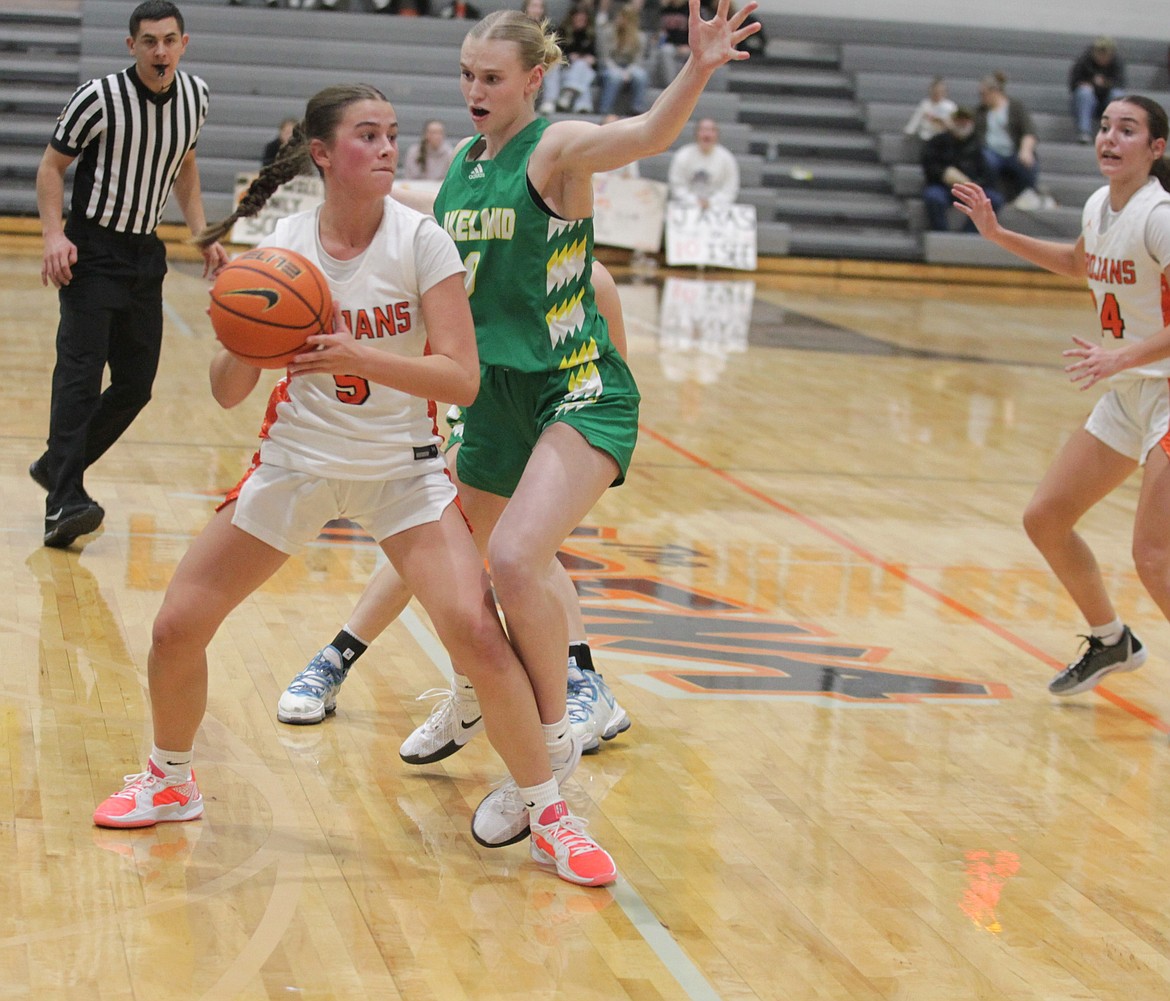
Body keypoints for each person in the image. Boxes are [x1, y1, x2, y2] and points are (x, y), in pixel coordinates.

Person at [90, 83, 617, 888]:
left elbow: (463, 379)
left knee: (477, 637)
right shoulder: (284, 246)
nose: (386, 148)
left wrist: (357, 354)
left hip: (402, 472)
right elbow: (229, 391)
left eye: (392, 134)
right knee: (174, 627)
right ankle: (169, 777)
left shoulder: (423, 241)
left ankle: (550, 812)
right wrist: (241, 322)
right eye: (367, 136)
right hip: (295, 464)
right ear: (325, 153)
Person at [336, 2, 760, 851]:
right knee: (445, 569)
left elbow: (643, 133)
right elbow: (410, 201)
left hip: (575, 385)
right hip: (492, 397)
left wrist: (698, 69)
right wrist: (341, 179)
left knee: (517, 560)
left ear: (534, 78)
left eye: (491, 77)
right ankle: (473, 701)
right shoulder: (464, 164)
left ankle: (552, 743)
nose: (474, 90)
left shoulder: (558, 147)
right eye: (466, 75)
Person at [278, 261, 633, 759]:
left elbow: (615, 370)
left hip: (560, 418)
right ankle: (571, 683)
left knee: (498, 549)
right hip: (485, 412)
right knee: (446, 536)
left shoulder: (592, 279)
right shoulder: (465, 260)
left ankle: (340, 658)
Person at [953, 94, 1170, 697]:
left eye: (1127, 131)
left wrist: (1122, 355)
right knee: (1045, 518)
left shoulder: (1161, 216)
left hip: (1165, 390)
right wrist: (996, 234)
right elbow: (1080, 263)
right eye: (1104, 127)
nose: (1109, 138)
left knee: (1153, 555)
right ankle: (1111, 641)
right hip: (1130, 390)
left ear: (1156, 149)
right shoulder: (1101, 204)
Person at [32, 0, 228, 549]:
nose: (160, 51)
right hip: (91, 251)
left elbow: (184, 163)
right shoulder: (97, 98)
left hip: (146, 253)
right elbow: (51, 167)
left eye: (169, 40)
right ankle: (63, 502)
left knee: (136, 385)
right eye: (149, 41)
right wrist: (54, 235)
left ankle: (56, 465)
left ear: (183, 44)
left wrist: (200, 229)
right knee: (79, 375)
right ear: (132, 46)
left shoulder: (196, 96)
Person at [921, 106, 1003, 232]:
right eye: (958, 120)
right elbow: (929, 166)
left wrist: (971, 183)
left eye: (965, 121)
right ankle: (942, 235)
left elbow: (988, 176)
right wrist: (944, 174)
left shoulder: (979, 146)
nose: (961, 124)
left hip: (971, 190)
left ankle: (968, 234)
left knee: (993, 199)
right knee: (933, 196)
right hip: (944, 187)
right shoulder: (938, 141)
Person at [975, 72, 1042, 207]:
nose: (981, 98)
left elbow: (1029, 131)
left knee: (1029, 165)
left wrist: (1025, 150)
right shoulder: (980, 112)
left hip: (1013, 151)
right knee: (986, 161)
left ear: (994, 92)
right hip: (991, 151)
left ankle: (1026, 193)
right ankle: (996, 195)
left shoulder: (1015, 107)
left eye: (984, 94)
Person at [539, 2, 599, 115]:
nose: (580, 22)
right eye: (578, 19)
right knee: (558, 66)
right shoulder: (561, 31)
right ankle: (558, 99)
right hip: (564, 67)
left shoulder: (590, 35)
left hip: (581, 69)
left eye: (583, 20)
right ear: (572, 18)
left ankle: (570, 95)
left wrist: (591, 60)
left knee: (583, 67)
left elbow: (595, 58)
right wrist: (571, 58)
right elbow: (556, 53)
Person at [668, 116, 739, 209]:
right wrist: (693, 202)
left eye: (711, 130)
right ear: (696, 134)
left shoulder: (727, 158)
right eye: (703, 130)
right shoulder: (682, 155)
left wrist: (711, 203)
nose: (707, 134)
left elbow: (730, 188)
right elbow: (677, 186)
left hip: (718, 210)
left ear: (717, 135)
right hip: (686, 209)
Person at [1069, 37, 1127, 144]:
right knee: (1084, 93)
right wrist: (1090, 83)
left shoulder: (1117, 63)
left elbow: (1120, 83)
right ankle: (1084, 131)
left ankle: (1115, 131)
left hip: (1107, 99)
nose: (1102, 58)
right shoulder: (1083, 61)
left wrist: (1104, 84)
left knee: (1117, 95)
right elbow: (1074, 83)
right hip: (1089, 100)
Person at [597, 3, 650, 117]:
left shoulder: (640, 37)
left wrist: (628, 72)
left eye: (623, 17)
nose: (619, 19)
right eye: (619, 16)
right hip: (610, 66)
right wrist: (619, 71)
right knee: (614, 77)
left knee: (640, 76)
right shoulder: (608, 32)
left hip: (630, 67)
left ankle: (637, 108)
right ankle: (605, 109)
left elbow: (638, 60)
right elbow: (604, 58)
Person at [904, 76, 957, 143]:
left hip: (943, 140)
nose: (937, 93)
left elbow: (954, 126)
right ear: (931, 91)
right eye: (935, 91)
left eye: (940, 91)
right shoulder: (925, 105)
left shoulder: (950, 106)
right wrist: (909, 131)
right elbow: (916, 120)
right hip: (926, 139)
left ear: (944, 92)